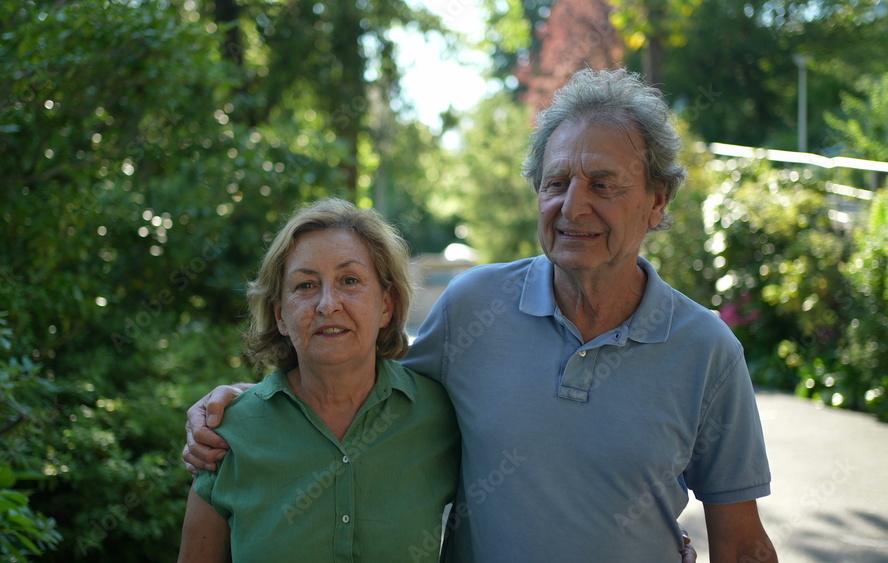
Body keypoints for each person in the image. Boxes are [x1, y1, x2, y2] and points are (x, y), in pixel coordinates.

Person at [185, 68, 775, 561]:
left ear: (656, 201)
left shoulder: (707, 351)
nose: (574, 206)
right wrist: (246, 405)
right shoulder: (475, 307)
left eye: (603, 184)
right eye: (556, 182)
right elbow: (359, 379)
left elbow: (742, 545)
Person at [177, 198, 460, 561]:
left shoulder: (439, 414)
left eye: (350, 280)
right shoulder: (227, 434)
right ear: (280, 316)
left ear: (386, 305)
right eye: (306, 286)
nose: (328, 304)